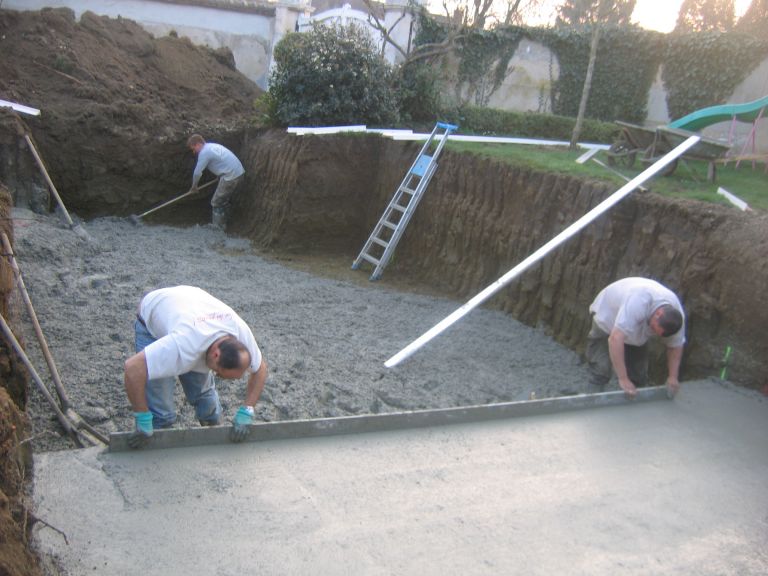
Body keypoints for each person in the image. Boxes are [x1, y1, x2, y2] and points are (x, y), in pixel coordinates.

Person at [124, 285, 267, 448]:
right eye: (218, 373)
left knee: (208, 407)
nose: (216, 376)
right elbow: (132, 368)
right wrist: (142, 416)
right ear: (216, 355)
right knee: (163, 415)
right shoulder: (183, 345)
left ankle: (213, 436)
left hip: (192, 304)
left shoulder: (241, 334)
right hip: (153, 318)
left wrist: (247, 411)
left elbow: (260, 369)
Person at [586, 277, 685, 398]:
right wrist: (622, 378)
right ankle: (592, 401)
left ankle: (631, 407)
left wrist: (673, 377)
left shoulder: (676, 317)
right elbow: (615, 339)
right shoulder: (639, 301)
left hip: (636, 330)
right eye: (654, 328)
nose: (653, 332)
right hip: (608, 318)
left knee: (638, 375)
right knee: (600, 369)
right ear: (658, 314)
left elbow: (675, 346)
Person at [187, 134, 245, 230]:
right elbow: (223, 161)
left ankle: (218, 228)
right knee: (224, 199)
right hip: (239, 173)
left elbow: (197, 173)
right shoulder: (212, 146)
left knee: (216, 202)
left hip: (231, 177)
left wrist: (194, 187)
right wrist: (220, 175)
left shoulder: (204, 152)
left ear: (198, 144)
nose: (194, 152)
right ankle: (228, 222)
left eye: (193, 149)